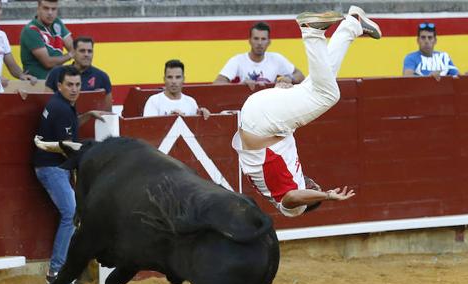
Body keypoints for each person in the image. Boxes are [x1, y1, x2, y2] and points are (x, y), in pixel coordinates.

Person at [231, 6, 381, 217]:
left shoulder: (292, 206)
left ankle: (312, 31)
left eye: (314, 190)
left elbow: (293, 198)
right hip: (258, 115)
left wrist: (327, 196)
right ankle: (352, 25)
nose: (315, 185)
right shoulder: (289, 170)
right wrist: (281, 94)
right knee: (319, 83)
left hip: (262, 122)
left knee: (328, 95)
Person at [32, 65, 108, 284]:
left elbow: (70, 130)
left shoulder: (61, 104)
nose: (74, 89)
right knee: (71, 213)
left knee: (73, 214)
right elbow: (68, 146)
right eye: (70, 85)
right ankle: (56, 271)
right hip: (52, 168)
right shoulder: (62, 108)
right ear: (59, 85)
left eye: (77, 85)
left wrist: (88, 115)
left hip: (55, 167)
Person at [213, 21, 305, 90]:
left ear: (269, 42)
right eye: (256, 39)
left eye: (263, 39)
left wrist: (289, 78)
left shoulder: (276, 59)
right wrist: (240, 86)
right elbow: (217, 83)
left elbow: (300, 76)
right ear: (249, 40)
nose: (260, 43)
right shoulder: (238, 60)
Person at [45, 36, 112, 111]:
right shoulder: (56, 73)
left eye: (90, 51)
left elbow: (108, 112)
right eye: (82, 51)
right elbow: (46, 106)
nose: (86, 54)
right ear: (73, 52)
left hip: (92, 121)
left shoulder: (102, 77)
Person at [20, 0, 73, 79]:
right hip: (37, 85)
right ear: (38, 8)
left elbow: (72, 47)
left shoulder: (57, 23)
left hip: (57, 82)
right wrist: (70, 55)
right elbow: (48, 63)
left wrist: (74, 53)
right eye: (46, 8)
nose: (50, 13)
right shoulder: (31, 30)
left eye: (53, 9)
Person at [143, 59, 210, 119]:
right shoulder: (154, 101)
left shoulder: (191, 102)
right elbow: (148, 127)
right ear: (164, 79)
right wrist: (170, 119)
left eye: (178, 77)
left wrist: (202, 115)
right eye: (170, 77)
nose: (174, 81)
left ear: (183, 79)